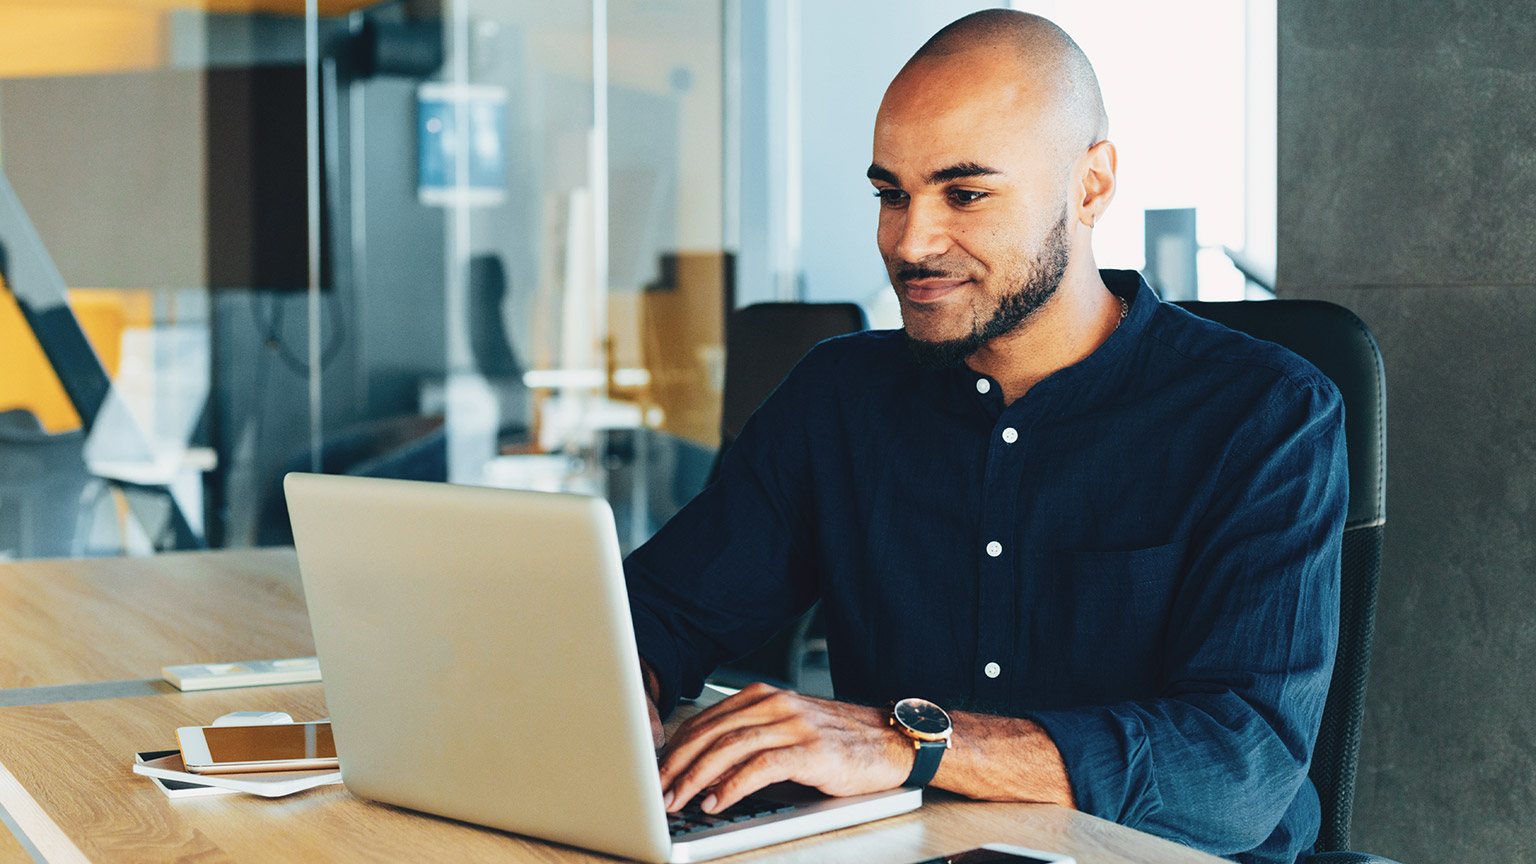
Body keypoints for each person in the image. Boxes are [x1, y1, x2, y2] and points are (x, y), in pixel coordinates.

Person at [623, 10, 1346, 864]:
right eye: (892, 193)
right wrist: (625, 691)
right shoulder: (838, 398)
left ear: (1091, 187)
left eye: (964, 193)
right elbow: (659, 612)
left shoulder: (1266, 412)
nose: (911, 241)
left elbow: (1239, 764)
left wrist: (907, 742)